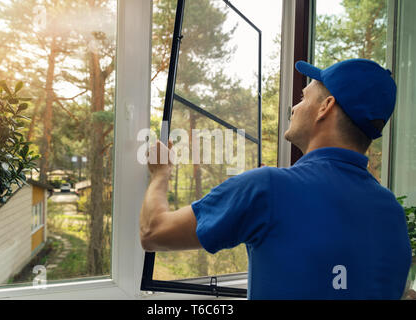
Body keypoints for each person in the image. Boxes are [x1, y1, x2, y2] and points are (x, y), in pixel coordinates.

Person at [139, 59, 412, 299]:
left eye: (305, 98)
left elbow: (153, 232)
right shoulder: (393, 214)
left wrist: (161, 173)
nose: (295, 107)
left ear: (325, 107)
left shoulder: (268, 189)